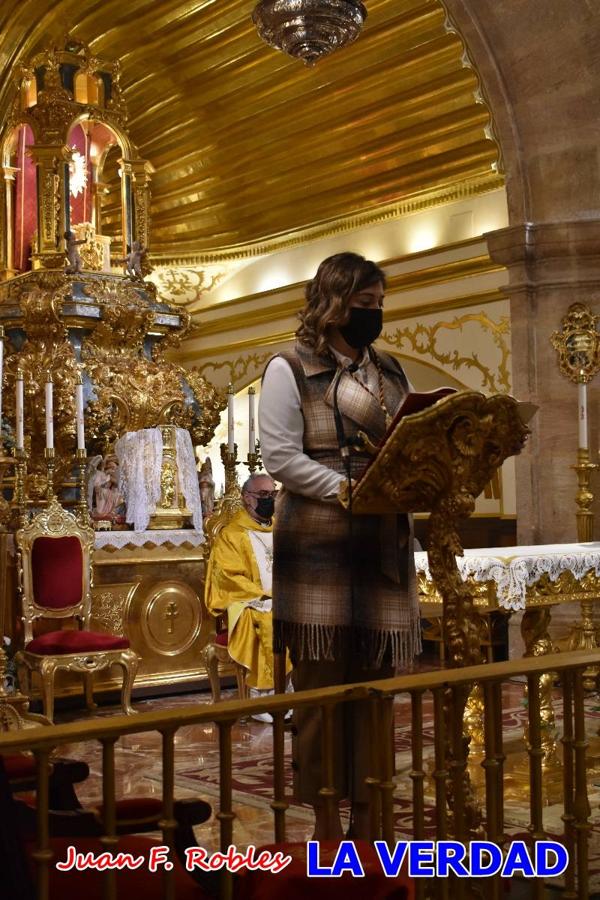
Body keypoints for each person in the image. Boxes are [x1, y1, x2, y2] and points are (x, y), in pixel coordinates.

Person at [259, 251, 421, 839]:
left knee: (374, 697)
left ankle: (372, 826)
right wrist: (343, 488)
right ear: (331, 304)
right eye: (363, 305)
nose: (374, 315)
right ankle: (328, 826)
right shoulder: (289, 366)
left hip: (380, 544)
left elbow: (408, 442)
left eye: (379, 305)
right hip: (321, 545)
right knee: (323, 699)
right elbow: (280, 456)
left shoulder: (393, 372)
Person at [204, 473, 292, 722]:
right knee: (266, 619)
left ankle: (286, 689)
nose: (269, 500)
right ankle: (261, 694)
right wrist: (264, 595)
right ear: (246, 498)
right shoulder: (232, 534)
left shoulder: (282, 528)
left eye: (273, 495)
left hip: (281, 598)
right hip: (245, 602)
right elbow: (228, 576)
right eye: (263, 495)